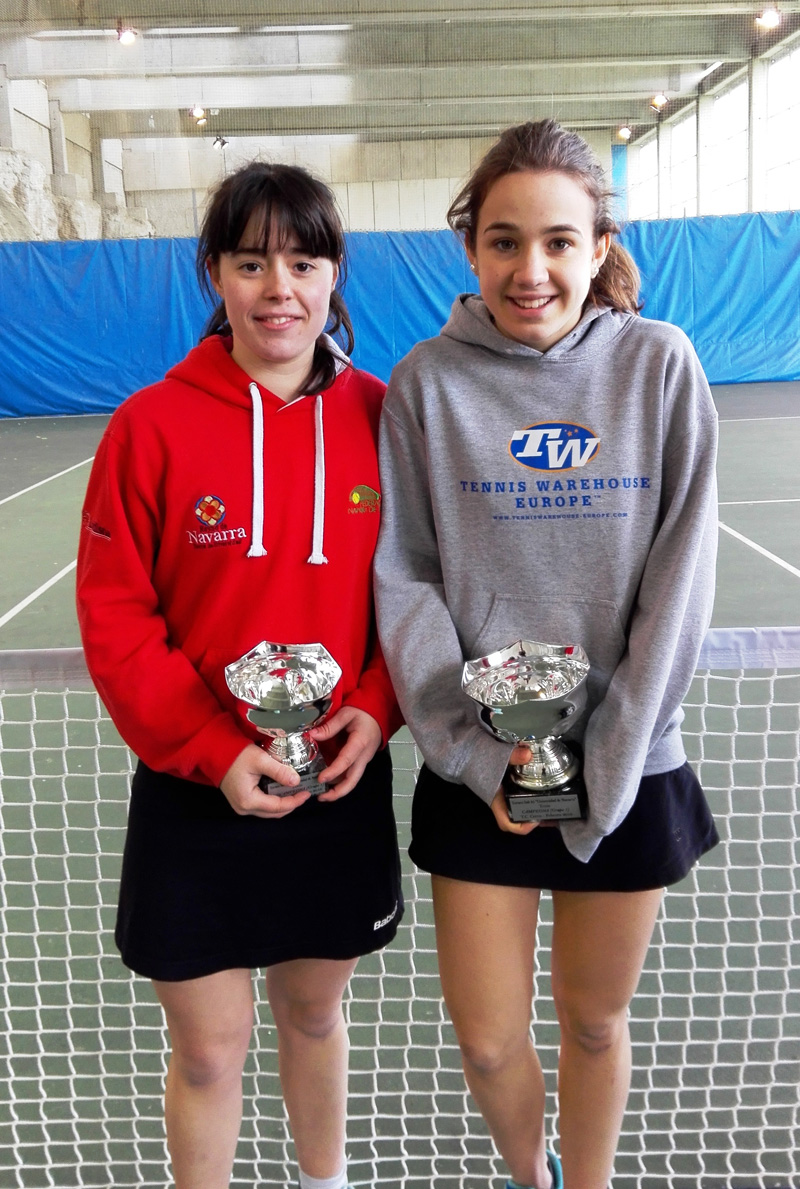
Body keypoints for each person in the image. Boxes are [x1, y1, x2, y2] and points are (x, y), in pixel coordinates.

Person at [373, 119, 719, 1189]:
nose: (531, 271)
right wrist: (483, 761)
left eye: (558, 242)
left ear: (595, 245)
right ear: (469, 248)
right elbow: (405, 575)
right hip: (478, 778)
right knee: (485, 1041)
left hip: (625, 766)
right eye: (503, 241)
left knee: (593, 1024)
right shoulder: (424, 384)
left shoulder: (659, 366)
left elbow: (679, 581)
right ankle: (533, 1178)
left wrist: (603, 764)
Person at [76, 161, 403, 1189]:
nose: (279, 289)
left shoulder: (385, 417)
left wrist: (377, 709)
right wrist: (216, 750)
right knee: (210, 1047)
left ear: (333, 272)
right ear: (214, 272)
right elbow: (117, 614)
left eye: (303, 262)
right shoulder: (149, 426)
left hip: (336, 778)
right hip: (194, 788)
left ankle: (324, 1181)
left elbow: (423, 593)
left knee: (313, 1013)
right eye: (251, 261)